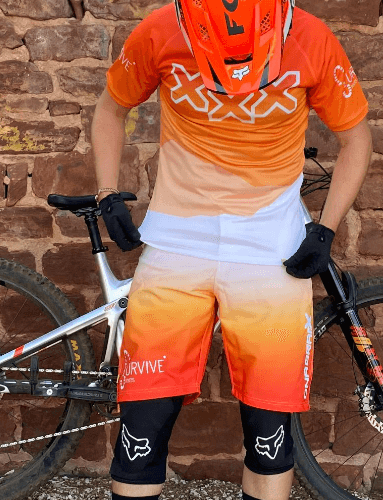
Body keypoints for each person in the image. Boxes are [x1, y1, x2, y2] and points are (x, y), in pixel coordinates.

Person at [91, 0, 372, 498]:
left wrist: (325, 230)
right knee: (140, 436)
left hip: (271, 256)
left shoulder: (311, 38)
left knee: (270, 441)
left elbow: (356, 139)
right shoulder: (162, 29)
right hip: (176, 247)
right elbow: (111, 108)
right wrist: (106, 193)